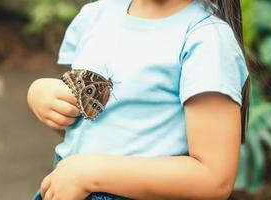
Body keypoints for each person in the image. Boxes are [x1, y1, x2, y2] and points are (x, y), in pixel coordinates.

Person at [27, 0, 250, 199]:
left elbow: (214, 179)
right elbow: (95, 129)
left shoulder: (206, 37)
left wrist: (91, 173)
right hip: (66, 183)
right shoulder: (94, 15)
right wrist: (40, 95)